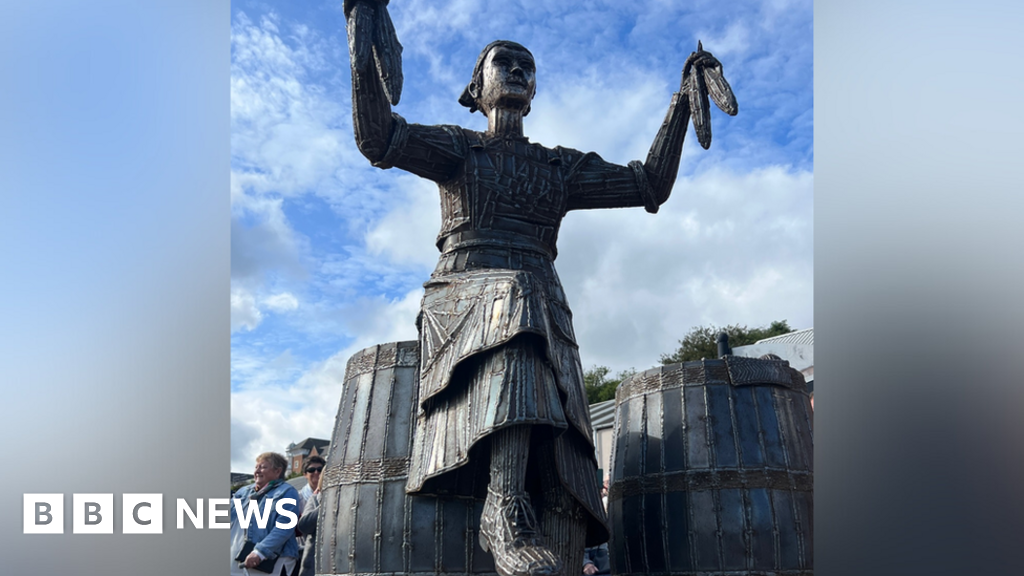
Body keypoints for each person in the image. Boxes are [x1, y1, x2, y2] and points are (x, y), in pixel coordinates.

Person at [345, 3, 728, 576]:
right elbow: (378, 138)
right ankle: (502, 506)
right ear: (477, 87)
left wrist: (680, 101)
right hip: (461, 293)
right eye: (505, 62)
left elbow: (648, 184)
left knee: (531, 302)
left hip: (538, 302)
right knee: (520, 295)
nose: (519, 70)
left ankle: (553, 516)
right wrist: (361, 32)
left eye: (528, 65)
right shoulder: (457, 148)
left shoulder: (557, 167)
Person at [231, 452, 300, 576]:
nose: (257, 471)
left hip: (270, 561)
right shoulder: (244, 491)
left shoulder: (287, 492)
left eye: (262, 467)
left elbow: (284, 527)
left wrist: (260, 552)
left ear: (277, 471)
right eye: (256, 467)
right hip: (237, 557)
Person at [294, 456, 324, 576]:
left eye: (320, 469)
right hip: (301, 552)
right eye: (311, 470)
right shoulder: (296, 497)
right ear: (305, 474)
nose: (316, 472)